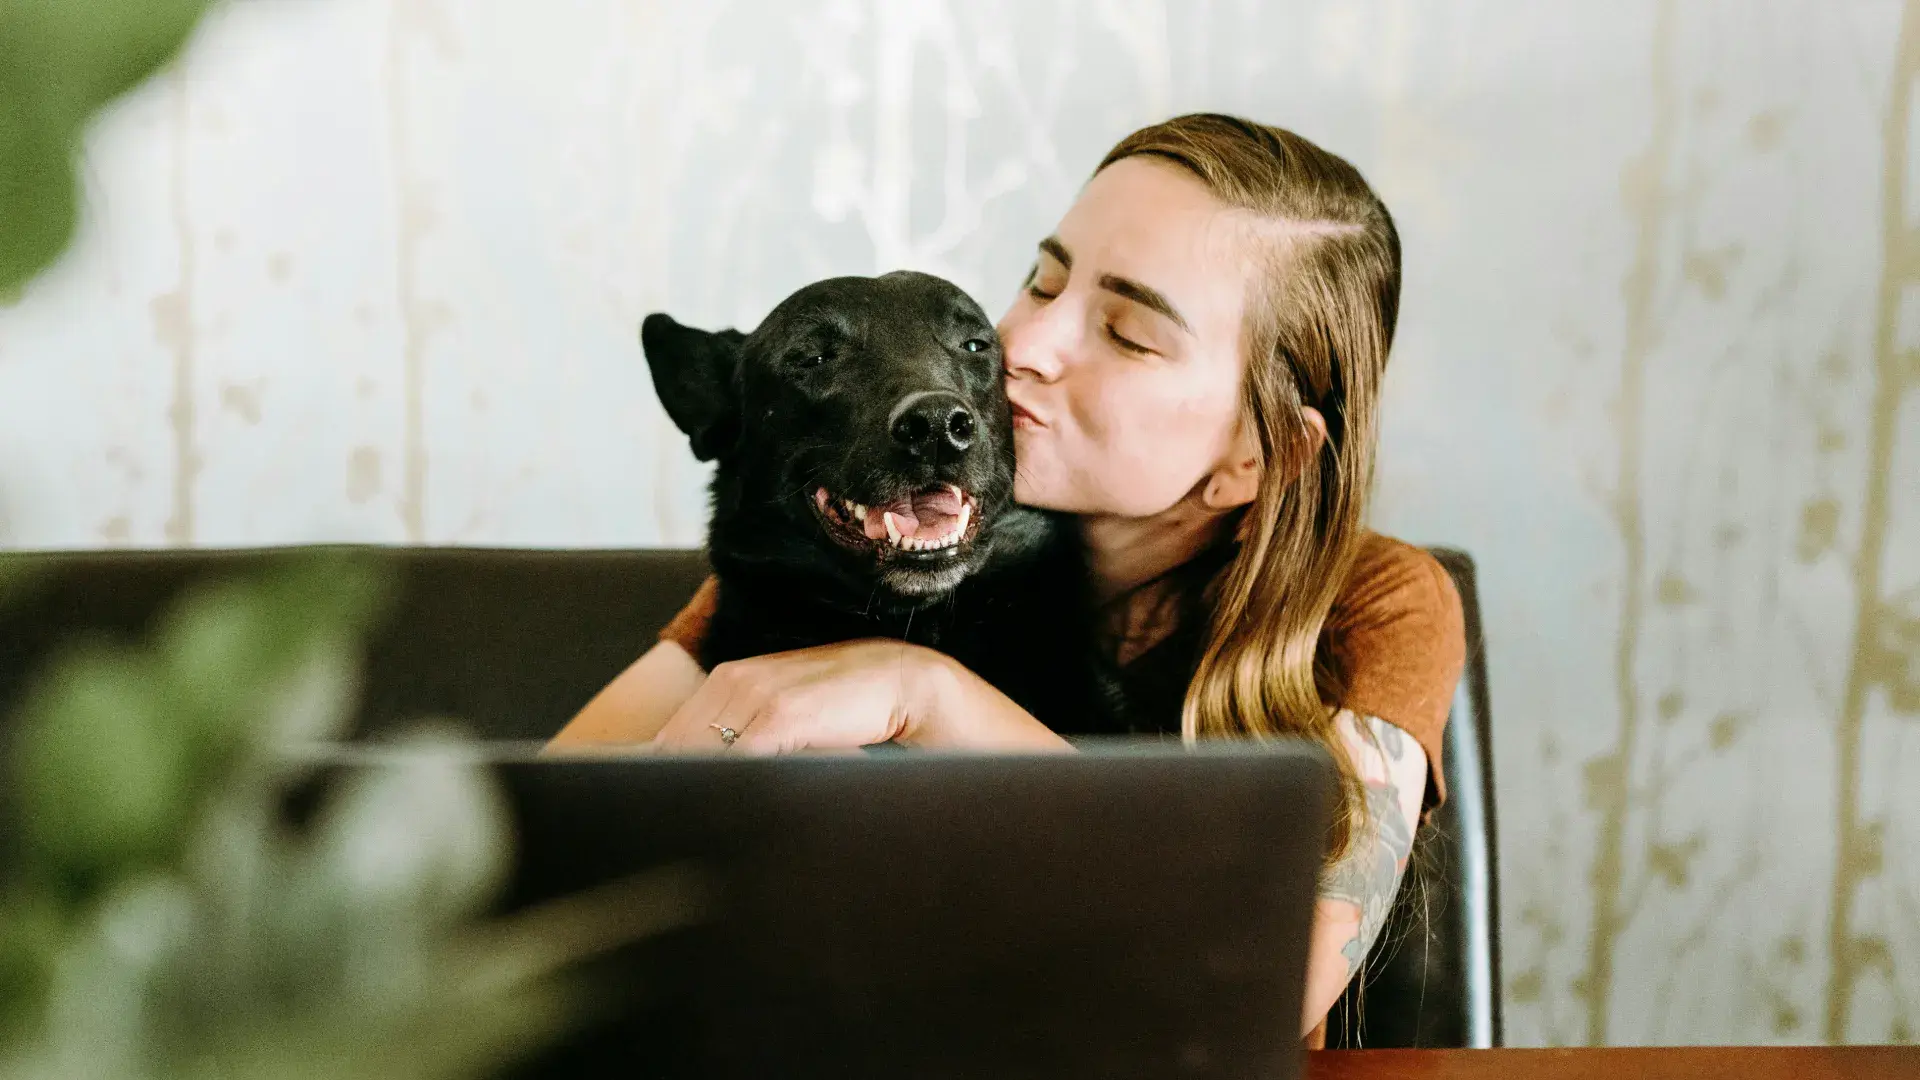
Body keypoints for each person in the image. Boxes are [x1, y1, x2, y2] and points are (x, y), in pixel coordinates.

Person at [549, 113, 1465, 1045]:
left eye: (1126, 331)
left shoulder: (1375, 603)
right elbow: (530, 847)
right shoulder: (862, 553)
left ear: (1254, 455)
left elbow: (1269, 983)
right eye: (1044, 280)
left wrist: (922, 692)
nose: (1022, 344)